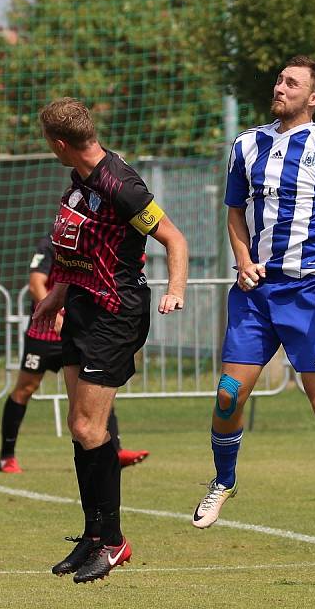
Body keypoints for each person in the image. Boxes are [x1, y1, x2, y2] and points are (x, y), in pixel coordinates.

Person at [192, 55, 315, 566]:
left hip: (310, 295)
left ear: (313, 97)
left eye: (291, 82)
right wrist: (244, 258)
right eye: (279, 79)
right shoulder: (246, 144)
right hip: (256, 294)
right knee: (229, 394)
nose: (280, 86)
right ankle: (224, 480)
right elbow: (234, 210)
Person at [32, 97, 188, 584]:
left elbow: (173, 238)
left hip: (114, 314)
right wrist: (57, 294)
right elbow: (81, 248)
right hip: (81, 306)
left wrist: (175, 290)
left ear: (60, 144)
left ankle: (114, 542)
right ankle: (94, 535)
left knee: (87, 425)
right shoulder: (79, 179)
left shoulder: (121, 185)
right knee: (80, 428)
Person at [0, 231, 150, 474]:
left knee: (96, 388)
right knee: (25, 388)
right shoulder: (50, 243)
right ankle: (7, 456)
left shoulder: (95, 241)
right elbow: (36, 283)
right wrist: (55, 315)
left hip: (80, 330)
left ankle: (114, 451)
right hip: (46, 331)